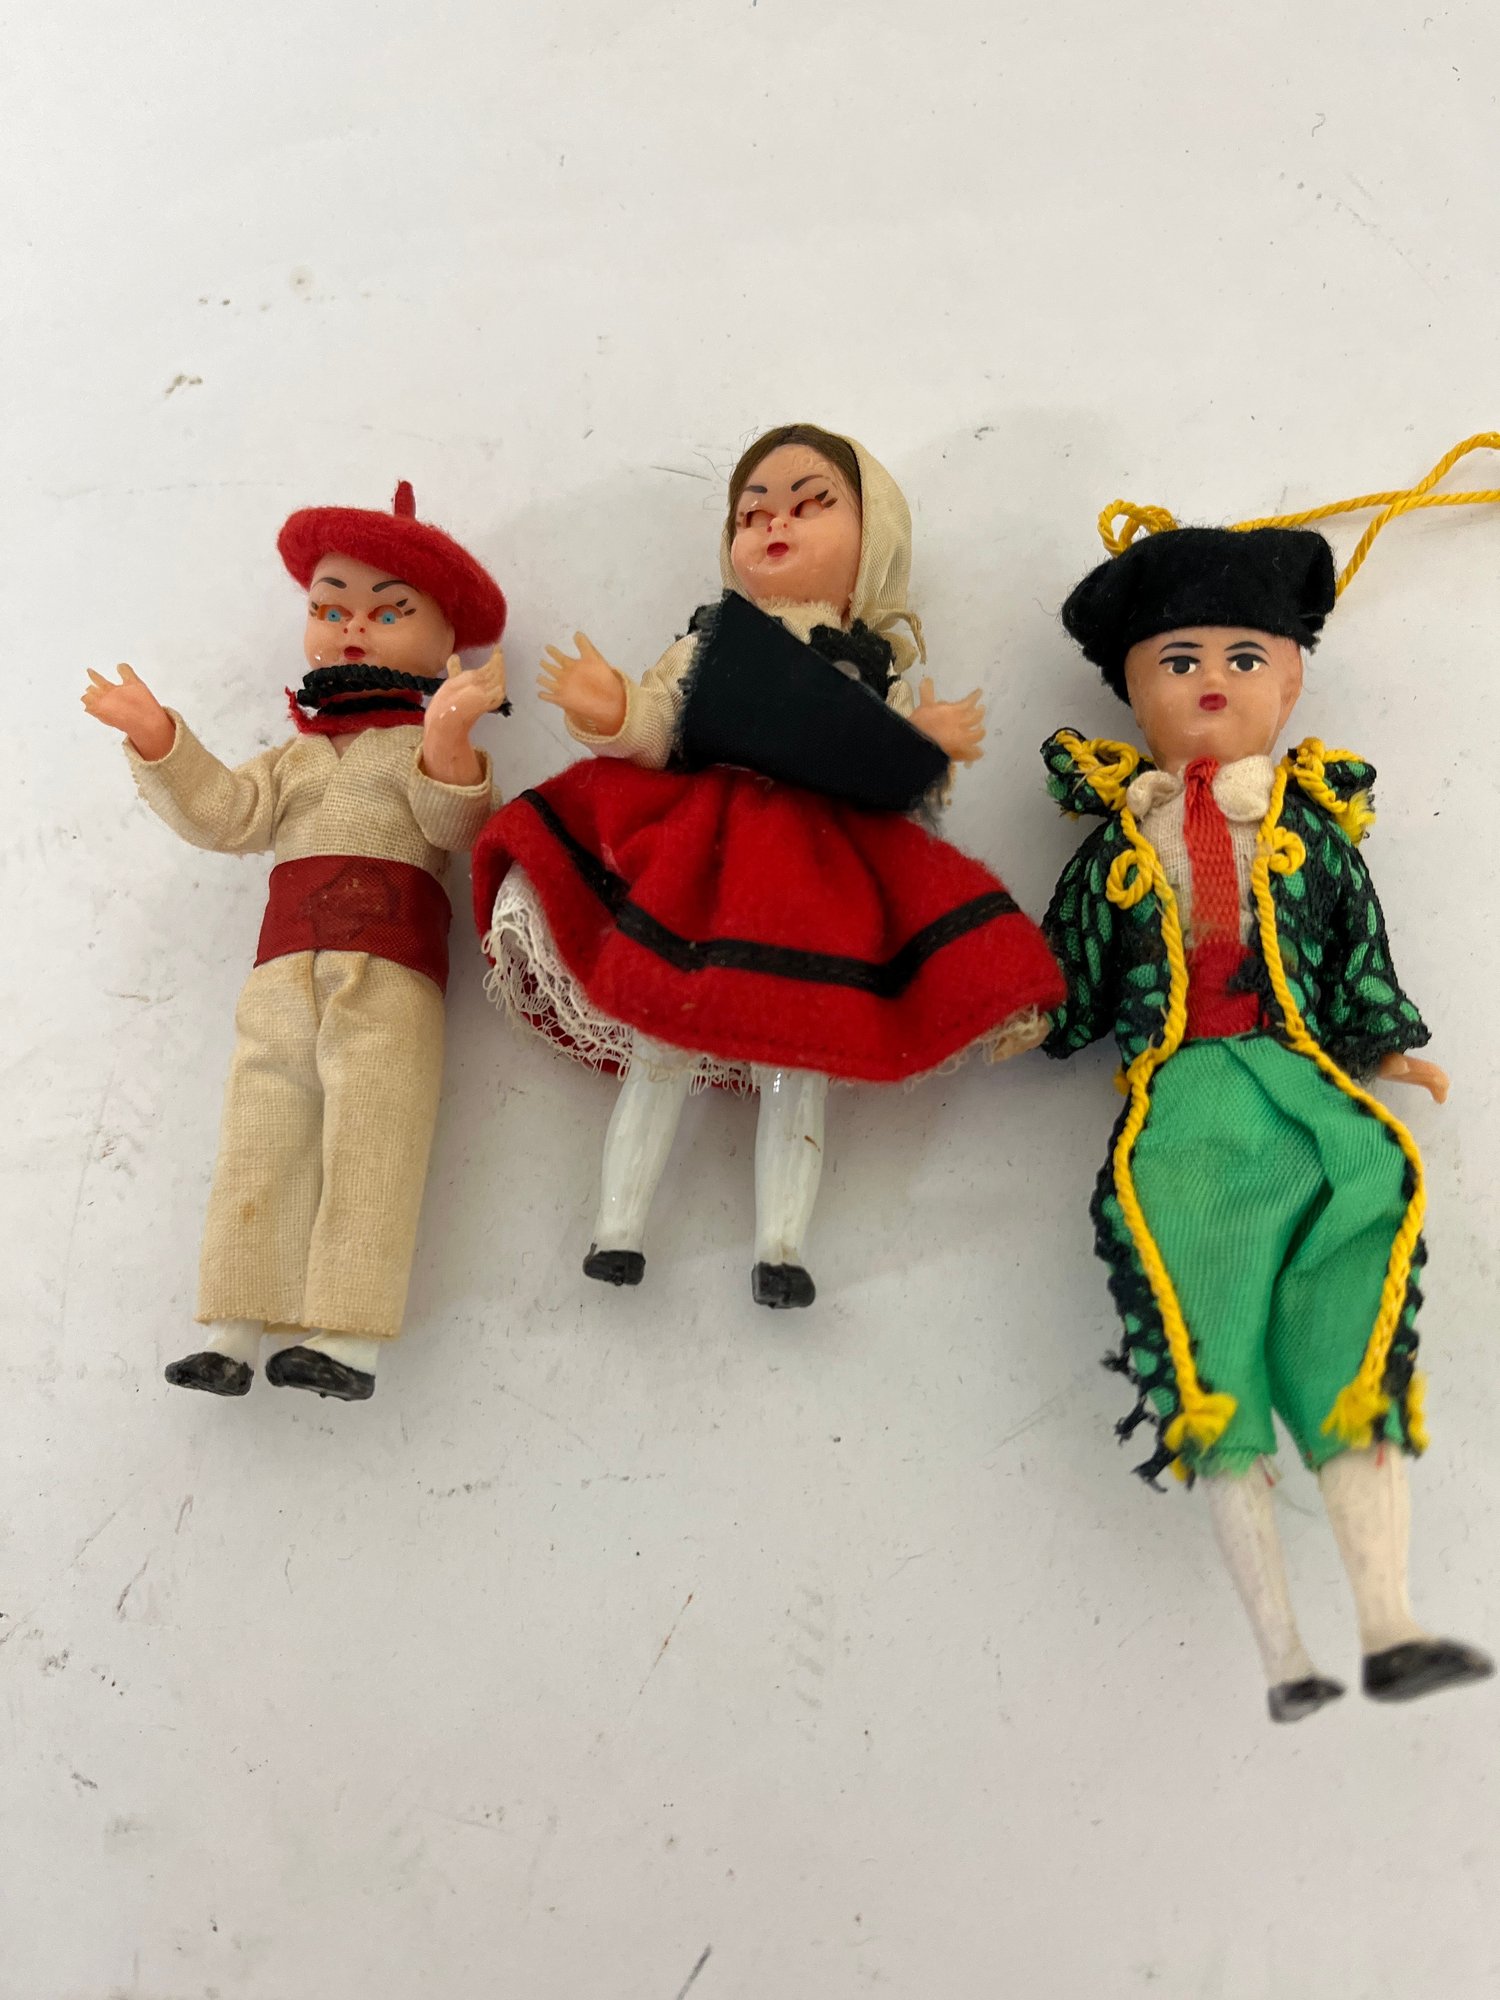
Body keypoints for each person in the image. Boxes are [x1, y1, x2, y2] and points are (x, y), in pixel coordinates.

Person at [1040, 518, 1491, 1717]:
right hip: (1182, 1107)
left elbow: (1353, 933)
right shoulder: (1120, 838)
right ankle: (1285, 1653)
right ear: (1133, 687)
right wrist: (1031, 1015)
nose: (1212, 682)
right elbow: (1073, 961)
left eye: (1245, 658)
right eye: (1178, 660)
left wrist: (1382, 1038)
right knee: (1211, 1349)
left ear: (1290, 681)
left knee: (1351, 1310)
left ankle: (1389, 1619)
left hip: (1303, 1090)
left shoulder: (1305, 828)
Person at [473, 423, 1062, 1307]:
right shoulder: (708, 643)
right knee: (664, 1033)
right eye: (753, 515)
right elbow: (660, 730)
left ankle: (781, 1247)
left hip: (815, 881)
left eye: (811, 504)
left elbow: (905, 800)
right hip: (704, 861)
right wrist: (614, 711)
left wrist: (924, 747)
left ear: (874, 542)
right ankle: (617, 1228)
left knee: (800, 1057)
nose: (775, 523)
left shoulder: (871, 671)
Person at [82, 482, 507, 1402]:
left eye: (388, 612)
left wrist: (448, 736)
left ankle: (348, 1336)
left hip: (391, 968)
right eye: (330, 608)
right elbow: (227, 813)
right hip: (281, 969)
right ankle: (234, 1326)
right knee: (260, 1132)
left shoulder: (416, 748)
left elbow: (459, 826)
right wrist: (160, 738)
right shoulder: (298, 756)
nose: (353, 628)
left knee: (373, 1140)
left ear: (446, 640)